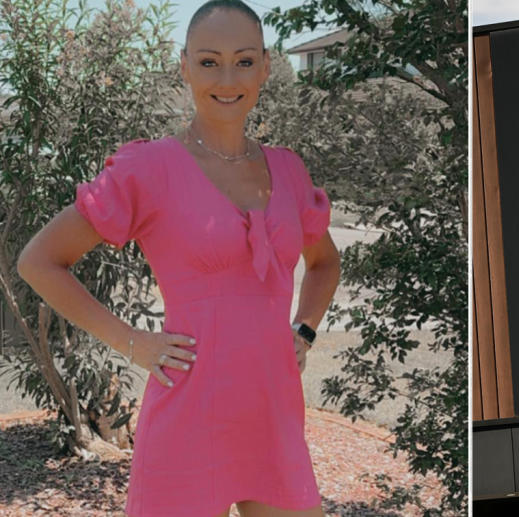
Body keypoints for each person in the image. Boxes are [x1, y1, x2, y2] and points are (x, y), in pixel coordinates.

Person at [15, 1, 339, 516]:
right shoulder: (149, 168)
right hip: (190, 417)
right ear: (183, 65)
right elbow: (39, 261)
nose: (228, 77)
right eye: (209, 61)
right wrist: (132, 342)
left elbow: (324, 263)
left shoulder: (288, 170)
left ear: (266, 67)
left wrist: (303, 330)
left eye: (245, 60)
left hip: (272, 416)